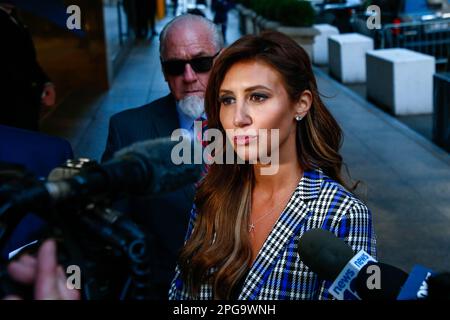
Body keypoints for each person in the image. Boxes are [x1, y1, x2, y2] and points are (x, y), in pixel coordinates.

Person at [169, 31, 377, 300]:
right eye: (228, 100)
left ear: (300, 105)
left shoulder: (343, 215)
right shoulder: (212, 197)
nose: (238, 118)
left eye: (257, 97)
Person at [101, 14, 223, 299]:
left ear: (222, 61)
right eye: (175, 66)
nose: (189, 77)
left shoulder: (256, 124)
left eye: (202, 63)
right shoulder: (128, 130)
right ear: (164, 72)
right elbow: (113, 223)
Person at [0, 1, 56, 131]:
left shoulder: (16, 19)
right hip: (10, 106)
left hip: (26, 103)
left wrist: (46, 83)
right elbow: (11, 65)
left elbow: (29, 61)